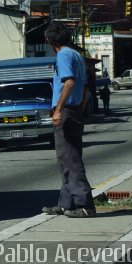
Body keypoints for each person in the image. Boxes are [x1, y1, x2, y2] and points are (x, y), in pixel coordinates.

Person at [41, 23, 96, 218]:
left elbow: (70, 82)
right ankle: (66, 203)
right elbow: (86, 86)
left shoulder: (63, 55)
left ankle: (85, 205)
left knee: (69, 159)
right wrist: (79, 108)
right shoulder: (76, 55)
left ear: (50, 40)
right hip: (74, 110)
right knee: (68, 158)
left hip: (65, 110)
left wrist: (58, 110)